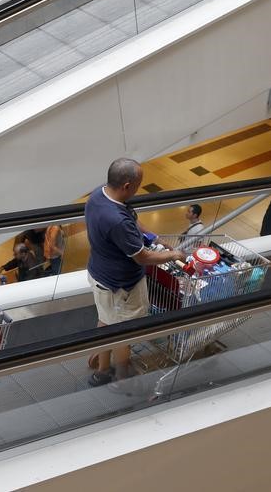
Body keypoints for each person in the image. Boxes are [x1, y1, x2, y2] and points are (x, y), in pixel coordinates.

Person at [85, 158, 184, 387]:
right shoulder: (116, 221)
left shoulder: (98, 196)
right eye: (139, 184)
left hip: (100, 276)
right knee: (124, 333)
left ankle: (101, 369)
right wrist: (174, 255)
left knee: (106, 320)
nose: (139, 189)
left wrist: (156, 238)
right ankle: (122, 377)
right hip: (121, 286)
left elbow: (133, 223)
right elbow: (142, 257)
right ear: (127, 185)